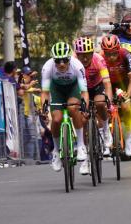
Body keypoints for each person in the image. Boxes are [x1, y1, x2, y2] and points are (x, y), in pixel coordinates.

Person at [40, 42, 90, 175]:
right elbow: (45, 92)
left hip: (73, 89)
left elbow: (84, 92)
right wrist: (44, 108)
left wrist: (84, 106)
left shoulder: (77, 66)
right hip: (56, 90)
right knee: (56, 120)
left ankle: (80, 145)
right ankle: (56, 151)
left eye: (65, 60)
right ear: (53, 59)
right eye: (58, 60)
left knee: (74, 109)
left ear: (70, 58)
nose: (61, 64)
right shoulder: (47, 67)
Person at [74, 37, 114, 155]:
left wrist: (109, 102)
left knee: (100, 103)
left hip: (97, 86)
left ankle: (106, 130)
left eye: (88, 54)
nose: (85, 58)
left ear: (92, 53)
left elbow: (107, 83)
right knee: (83, 119)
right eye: (82, 55)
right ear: (77, 55)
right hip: (81, 89)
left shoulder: (99, 60)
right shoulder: (73, 62)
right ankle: (85, 149)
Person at [100, 34, 131, 157]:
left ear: (118, 49)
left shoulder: (126, 54)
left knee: (126, 107)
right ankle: (104, 137)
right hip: (107, 83)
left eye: (114, 53)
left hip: (123, 84)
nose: (111, 57)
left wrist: (128, 94)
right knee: (100, 106)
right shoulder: (100, 57)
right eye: (108, 54)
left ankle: (128, 138)